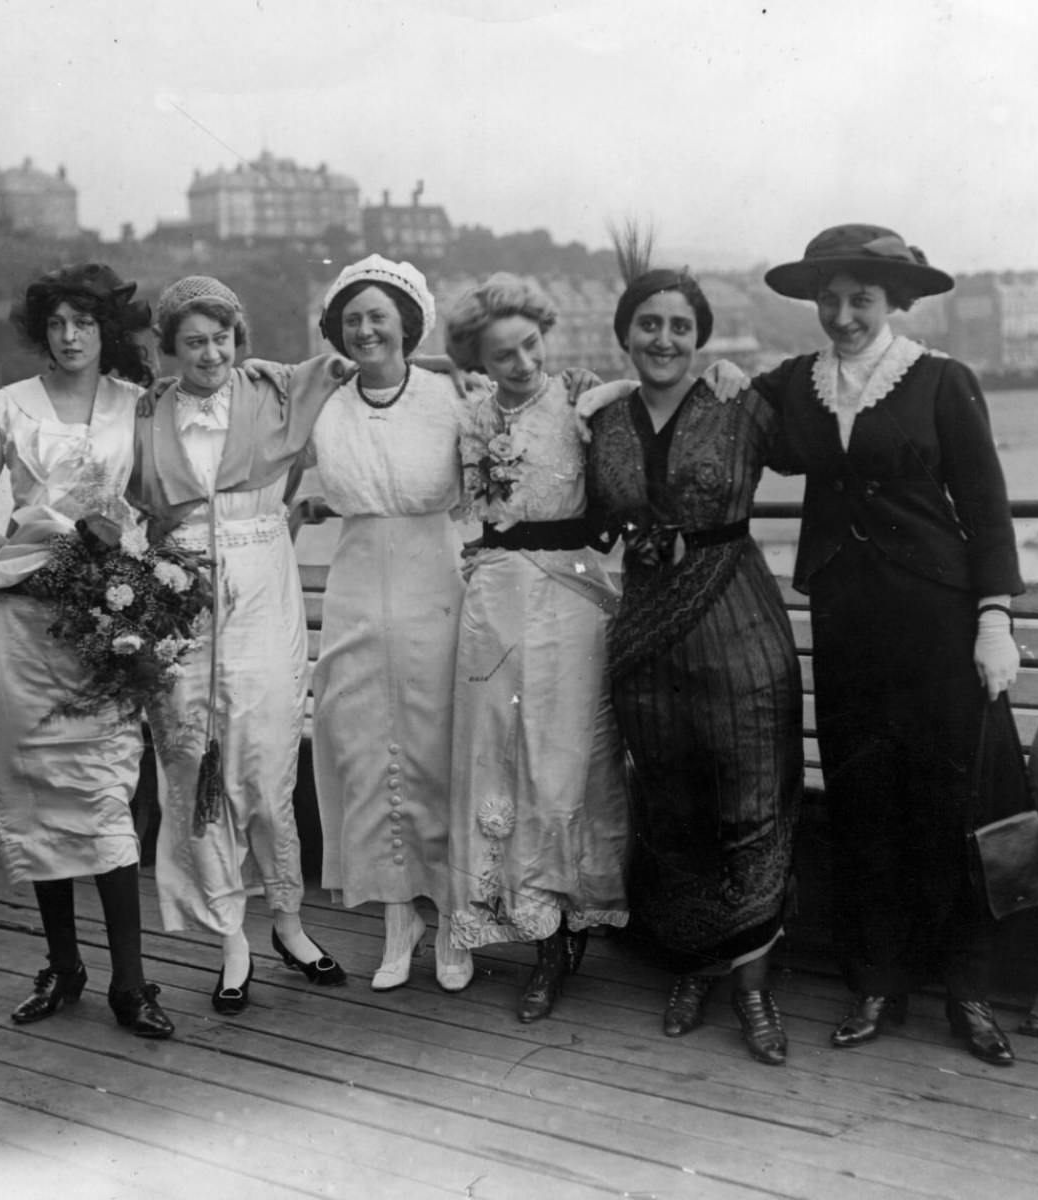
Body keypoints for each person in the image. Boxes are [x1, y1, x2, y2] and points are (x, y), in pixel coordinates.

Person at [752, 224, 1026, 1066]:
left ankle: (970, 992)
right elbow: (713, 408)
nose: (841, 315)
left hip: (938, 621)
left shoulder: (943, 380)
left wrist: (994, 618)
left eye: (859, 300)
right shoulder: (797, 386)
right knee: (864, 798)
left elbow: (985, 506)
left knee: (954, 804)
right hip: (847, 622)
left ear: (895, 304)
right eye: (828, 300)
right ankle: (878, 981)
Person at [583, 236, 803, 1066]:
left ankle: (752, 988)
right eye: (649, 324)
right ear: (625, 334)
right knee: (671, 807)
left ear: (702, 335)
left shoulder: (745, 404)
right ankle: (691, 966)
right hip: (644, 636)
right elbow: (578, 514)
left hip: (737, 623)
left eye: (680, 325)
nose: (665, 339)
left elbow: (841, 436)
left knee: (750, 801)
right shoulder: (601, 416)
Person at [0, 263, 174, 1038]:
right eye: (57, 324)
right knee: (42, 796)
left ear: (107, 329)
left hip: (106, 630)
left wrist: (133, 578)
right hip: (23, 628)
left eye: (85, 322)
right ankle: (65, 967)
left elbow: (155, 504)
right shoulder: (7, 407)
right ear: (41, 332)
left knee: (105, 796)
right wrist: (21, 555)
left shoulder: (136, 406)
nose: (71, 337)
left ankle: (131, 986)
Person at [127, 275, 349, 1013]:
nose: (210, 352)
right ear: (170, 349)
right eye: (193, 341)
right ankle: (231, 938)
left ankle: (288, 920)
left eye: (221, 337)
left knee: (264, 759)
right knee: (194, 768)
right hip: (181, 601)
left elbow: (374, 367)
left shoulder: (269, 388)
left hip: (262, 594)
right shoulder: (146, 413)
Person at [443, 274, 629, 1021]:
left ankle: (567, 928)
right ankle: (531, 927)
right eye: (504, 354)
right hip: (493, 600)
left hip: (570, 599)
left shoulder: (583, 406)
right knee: (501, 755)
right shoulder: (469, 417)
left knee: (566, 761)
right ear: (479, 361)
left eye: (530, 345)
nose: (523, 362)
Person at [311, 254, 476, 992]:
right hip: (354, 582)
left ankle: (453, 921)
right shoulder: (326, 400)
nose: (366, 329)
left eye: (379, 316)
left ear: (407, 323)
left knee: (437, 744)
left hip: (433, 578)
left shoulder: (451, 396)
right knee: (363, 747)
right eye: (353, 319)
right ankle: (396, 919)